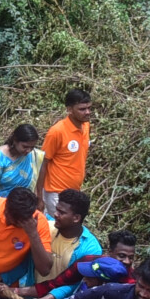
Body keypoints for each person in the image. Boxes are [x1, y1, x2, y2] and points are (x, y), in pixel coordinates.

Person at [40, 86, 94, 219]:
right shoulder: (57, 132)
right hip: (56, 193)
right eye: (82, 109)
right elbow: (42, 163)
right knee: (58, 226)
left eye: (89, 108)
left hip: (74, 192)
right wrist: (39, 196)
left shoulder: (85, 126)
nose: (87, 112)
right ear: (69, 109)